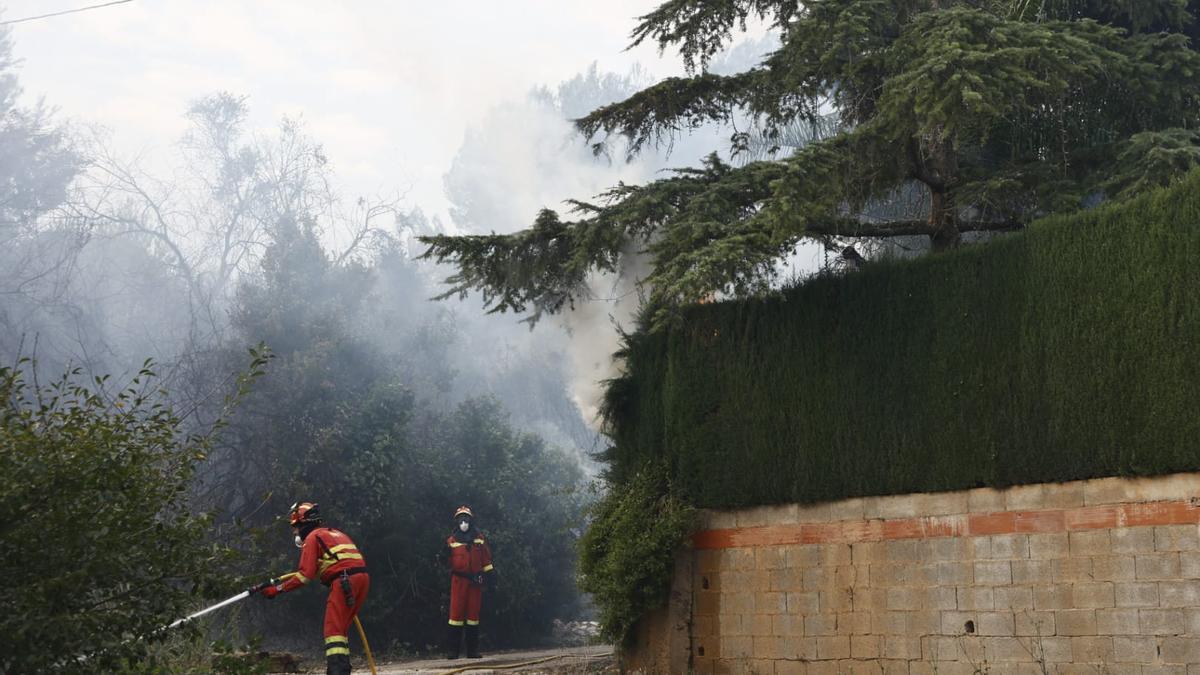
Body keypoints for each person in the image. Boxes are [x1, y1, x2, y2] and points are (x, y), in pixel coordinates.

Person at [253, 502, 370, 675]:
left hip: (344, 581)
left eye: (296, 527)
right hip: (362, 579)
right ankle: (342, 670)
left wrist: (276, 590)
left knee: (333, 631)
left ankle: (337, 672)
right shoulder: (335, 533)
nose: (295, 532)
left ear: (304, 524)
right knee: (341, 629)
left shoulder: (312, 538)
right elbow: (329, 565)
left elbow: (304, 576)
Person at [444, 505, 495, 659]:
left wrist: (491, 576)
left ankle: (472, 651)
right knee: (455, 617)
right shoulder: (451, 541)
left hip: (475, 582)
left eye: (466, 518)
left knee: (473, 617)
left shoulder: (479, 538)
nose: (464, 522)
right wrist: (441, 557)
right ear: (457, 521)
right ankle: (453, 651)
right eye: (461, 519)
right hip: (458, 582)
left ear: (470, 520)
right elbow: (445, 561)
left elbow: (486, 559)